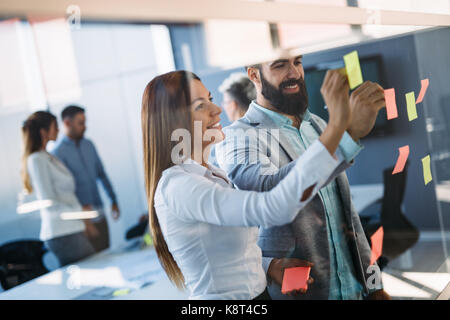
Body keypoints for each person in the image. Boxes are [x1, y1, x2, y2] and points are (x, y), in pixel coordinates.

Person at [142, 70, 353, 299]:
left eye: (210, 100)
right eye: (199, 106)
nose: (218, 110)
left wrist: (268, 266)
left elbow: (221, 254)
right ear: (171, 121)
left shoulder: (213, 175)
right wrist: (337, 130)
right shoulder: (178, 186)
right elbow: (272, 207)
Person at [216, 54, 391, 300]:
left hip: (354, 292)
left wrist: (374, 285)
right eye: (280, 65)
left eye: (297, 62)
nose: (294, 73)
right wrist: (347, 135)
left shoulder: (318, 126)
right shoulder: (236, 137)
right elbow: (270, 189)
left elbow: (349, 220)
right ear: (254, 74)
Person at [21, 111, 95, 267]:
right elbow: (49, 202)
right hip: (61, 232)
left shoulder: (47, 156)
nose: (58, 130)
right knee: (93, 269)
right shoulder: (36, 160)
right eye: (54, 127)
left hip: (70, 229)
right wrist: (80, 211)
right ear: (43, 132)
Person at [51, 105, 119, 253]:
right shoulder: (57, 153)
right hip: (83, 221)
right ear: (67, 123)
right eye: (80, 123)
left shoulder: (89, 145)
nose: (85, 127)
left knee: (108, 254)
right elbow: (64, 192)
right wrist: (85, 221)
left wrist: (114, 200)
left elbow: (102, 174)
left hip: (100, 213)